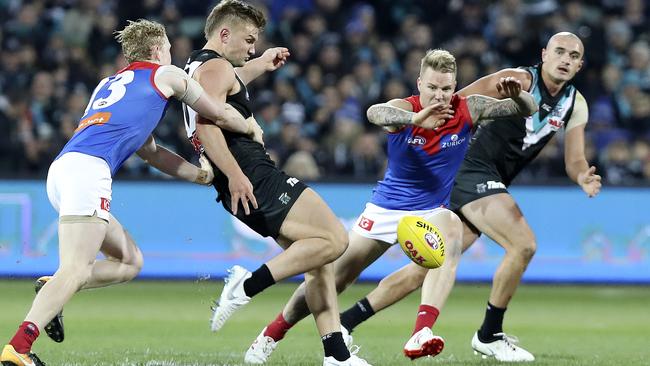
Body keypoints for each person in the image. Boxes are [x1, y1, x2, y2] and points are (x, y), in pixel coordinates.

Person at [288, 32, 601, 363]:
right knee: (523, 244)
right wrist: (423, 141)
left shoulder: (575, 103)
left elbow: (574, 159)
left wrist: (582, 175)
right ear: (544, 54)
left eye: (574, 55)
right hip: (470, 170)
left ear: (580, 65)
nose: (565, 59)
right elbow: (456, 102)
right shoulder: (518, 79)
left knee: (428, 266)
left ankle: (347, 322)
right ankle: (489, 334)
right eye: (560, 51)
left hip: (490, 182)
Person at [244, 49, 538, 364]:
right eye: (432, 88)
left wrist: (519, 97)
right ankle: (271, 334)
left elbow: (526, 108)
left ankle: (422, 332)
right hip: (386, 209)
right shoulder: (403, 109)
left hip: (430, 211)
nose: (439, 95)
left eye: (446, 88)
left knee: (451, 231)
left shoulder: (469, 108)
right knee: (336, 277)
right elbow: (375, 113)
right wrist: (415, 119)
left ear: (454, 87)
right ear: (420, 83)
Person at [0, 19, 257, 366]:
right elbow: (215, 110)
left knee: (130, 261)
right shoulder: (167, 76)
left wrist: (200, 176)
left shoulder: (108, 83)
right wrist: (250, 127)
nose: (172, 53)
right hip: (88, 171)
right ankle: (18, 348)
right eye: (167, 47)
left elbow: (150, 152)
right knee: (75, 268)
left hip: (64, 171)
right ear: (156, 51)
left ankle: (52, 288)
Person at [181, 1, 375, 365]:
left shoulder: (199, 66)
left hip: (238, 178)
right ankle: (245, 286)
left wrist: (260, 64)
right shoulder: (217, 67)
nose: (252, 48)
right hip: (251, 174)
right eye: (249, 40)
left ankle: (336, 354)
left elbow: (226, 91)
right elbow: (208, 126)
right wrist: (237, 175)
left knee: (318, 263)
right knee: (335, 239)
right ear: (225, 35)